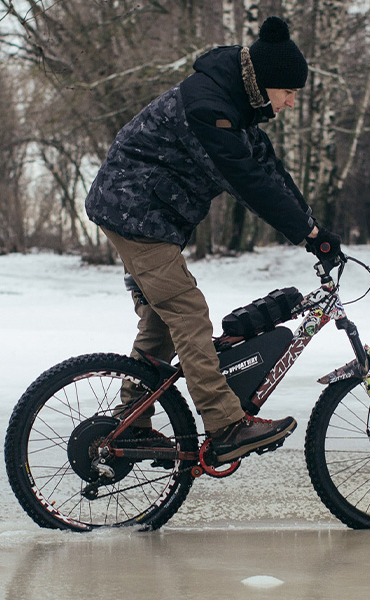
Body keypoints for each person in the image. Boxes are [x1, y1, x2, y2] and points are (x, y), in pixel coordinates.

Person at [85, 16, 343, 463]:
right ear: (267, 83)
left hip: (145, 215)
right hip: (134, 213)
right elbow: (249, 183)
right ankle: (225, 426)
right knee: (188, 312)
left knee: (162, 322)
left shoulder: (236, 106)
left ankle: (133, 422)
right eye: (289, 92)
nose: (292, 102)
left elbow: (269, 172)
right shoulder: (211, 108)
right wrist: (306, 233)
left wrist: (313, 229)